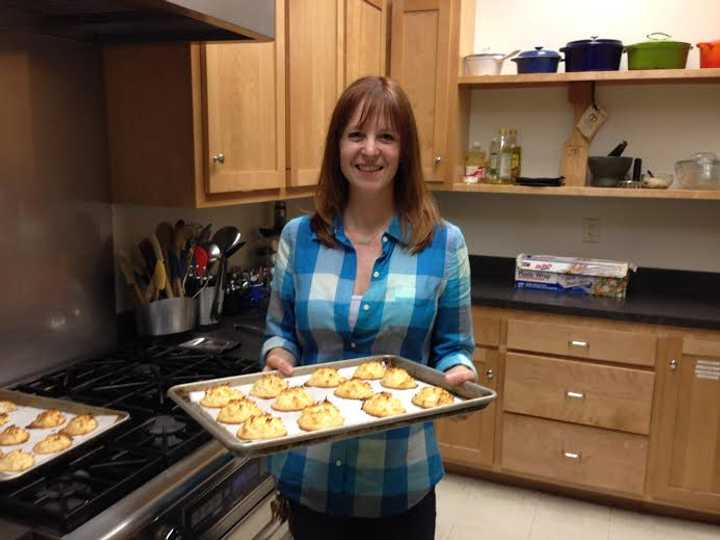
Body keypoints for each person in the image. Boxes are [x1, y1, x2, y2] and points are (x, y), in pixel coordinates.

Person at [261, 76, 476, 540]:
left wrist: (458, 375)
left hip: (399, 481)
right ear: (338, 146)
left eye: (386, 137)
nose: (370, 150)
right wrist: (277, 357)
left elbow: (454, 347)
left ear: (405, 151)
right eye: (356, 134)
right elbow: (279, 332)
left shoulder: (444, 244)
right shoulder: (298, 238)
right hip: (310, 476)